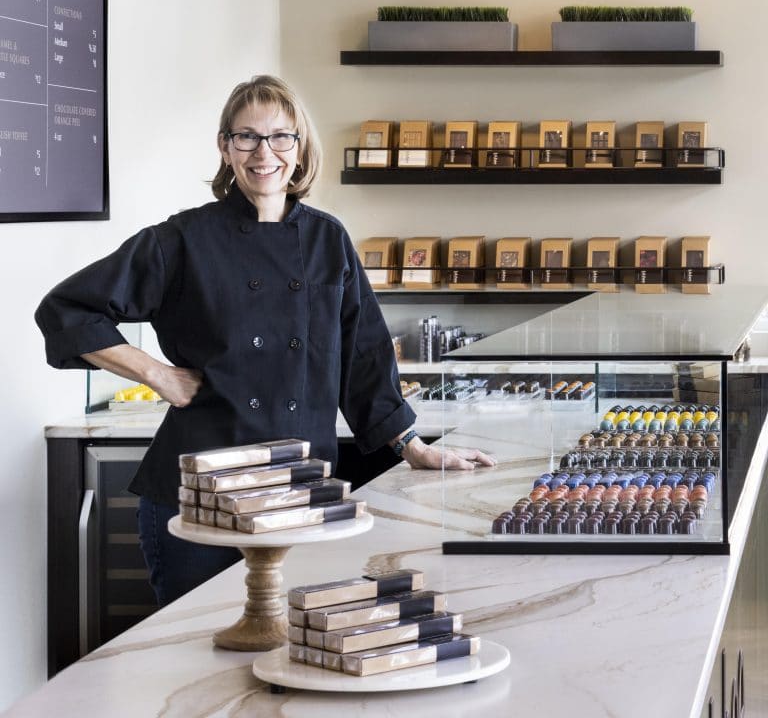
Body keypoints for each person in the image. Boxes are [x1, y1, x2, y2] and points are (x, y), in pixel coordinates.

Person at [35, 75, 495, 606]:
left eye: (280, 137)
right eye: (247, 137)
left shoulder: (328, 240)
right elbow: (66, 308)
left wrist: (411, 447)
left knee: (287, 649)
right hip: (199, 492)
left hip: (299, 489)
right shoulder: (183, 239)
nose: (264, 153)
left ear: (299, 148)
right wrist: (157, 374)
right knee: (194, 648)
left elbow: (363, 357)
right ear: (225, 148)